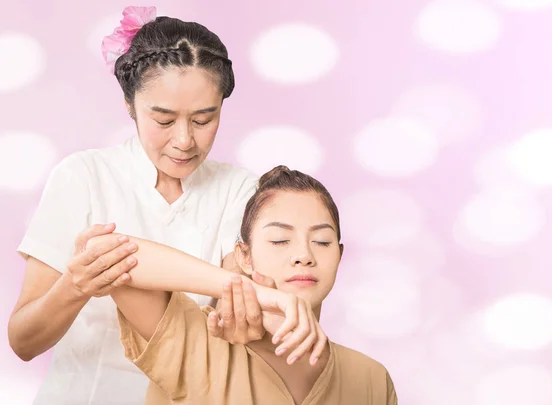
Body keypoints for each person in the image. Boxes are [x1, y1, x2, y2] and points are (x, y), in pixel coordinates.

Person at [7, 7, 324, 404]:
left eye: (204, 119)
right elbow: (23, 341)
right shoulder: (83, 177)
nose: (184, 140)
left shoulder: (239, 189)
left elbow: (240, 297)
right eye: (163, 120)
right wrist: (75, 286)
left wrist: (247, 318)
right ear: (129, 104)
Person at [86, 166, 398, 404]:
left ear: (339, 255)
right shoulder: (197, 345)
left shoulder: (371, 379)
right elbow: (104, 251)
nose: (303, 255)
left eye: (321, 241)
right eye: (279, 240)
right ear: (244, 256)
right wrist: (249, 291)